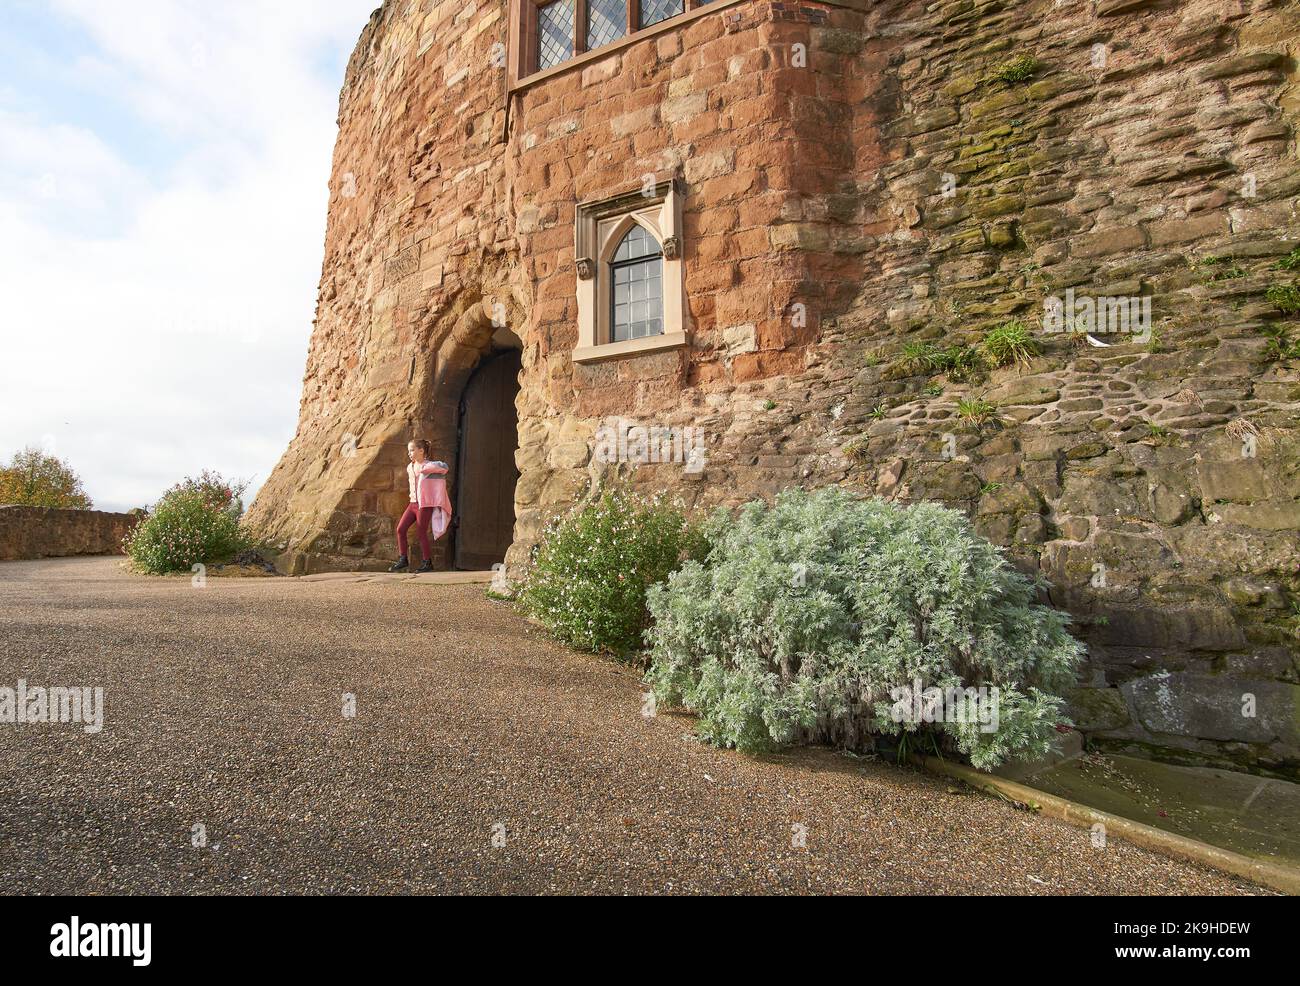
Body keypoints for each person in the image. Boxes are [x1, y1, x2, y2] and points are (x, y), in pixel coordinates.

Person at [390, 439, 451, 573]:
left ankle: (427, 562)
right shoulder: (409, 467)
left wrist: (426, 467)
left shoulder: (429, 465)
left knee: (421, 531)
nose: (409, 453)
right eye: (408, 451)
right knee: (400, 529)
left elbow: (444, 467)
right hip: (412, 504)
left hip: (424, 505)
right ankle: (403, 559)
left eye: (412, 450)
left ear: (421, 451)